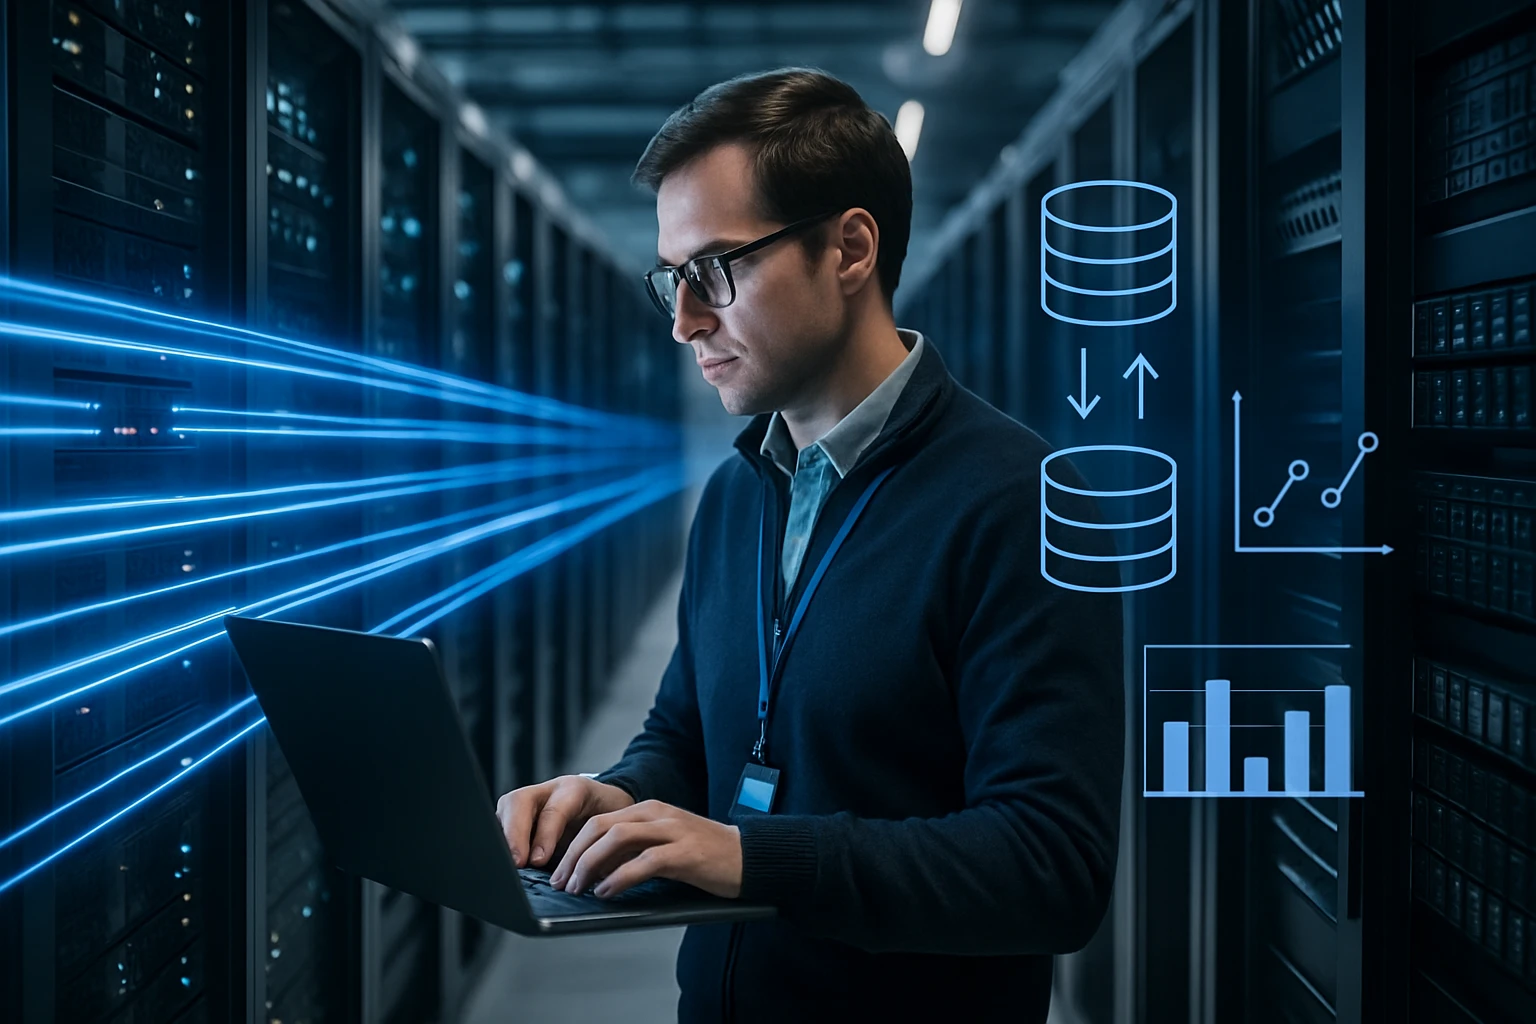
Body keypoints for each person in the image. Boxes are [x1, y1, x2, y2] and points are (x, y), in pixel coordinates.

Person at [496, 66, 1125, 1023]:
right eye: (672, 279)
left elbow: (1051, 864)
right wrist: (609, 797)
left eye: (715, 270)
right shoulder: (735, 496)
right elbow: (685, 734)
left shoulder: (1020, 504)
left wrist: (756, 855)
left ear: (851, 248)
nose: (684, 321)